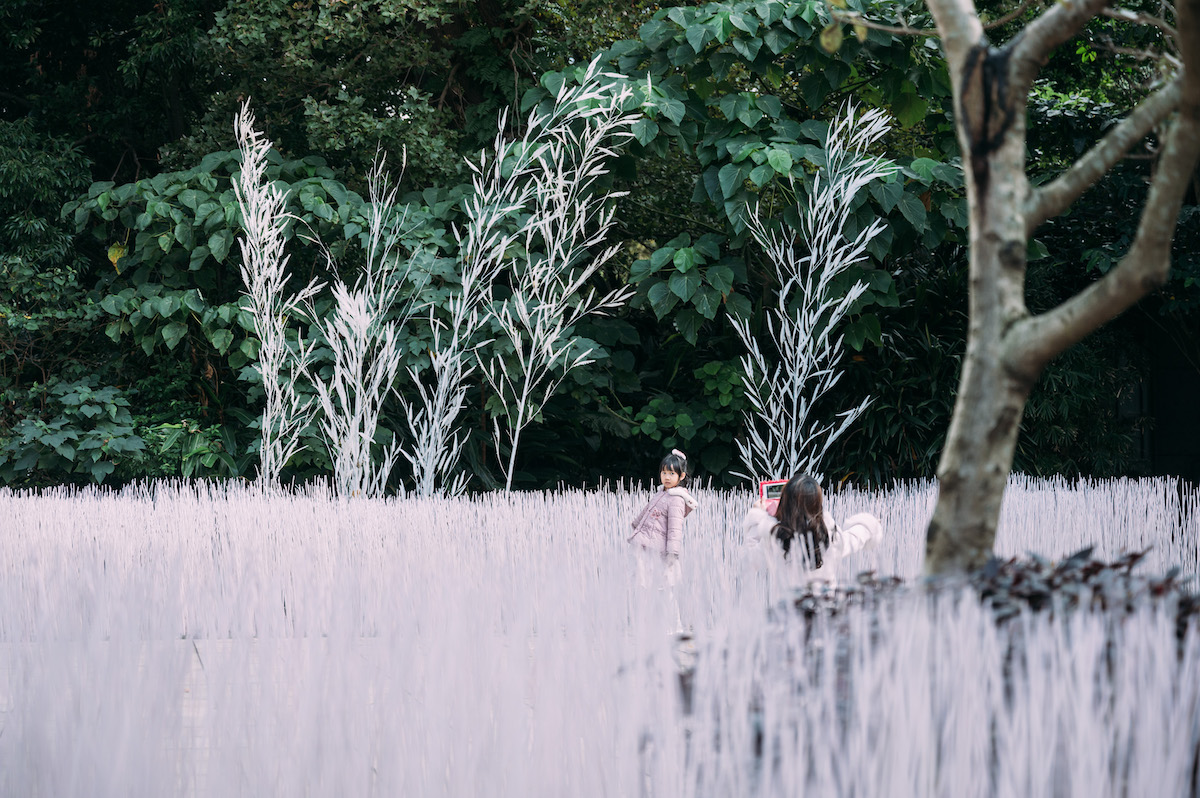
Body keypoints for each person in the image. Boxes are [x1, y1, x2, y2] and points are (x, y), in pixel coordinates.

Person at [742, 474, 881, 591]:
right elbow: (853, 539)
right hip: (826, 613)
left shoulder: (775, 538)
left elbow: (750, 559)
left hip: (790, 614)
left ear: (784, 504)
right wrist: (869, 525)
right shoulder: (829, 535)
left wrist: (757, 515)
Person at [628, 449, 698, 586]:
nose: (667, 477)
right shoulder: (662, 492)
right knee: (640, 576)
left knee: (654, 580)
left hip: (657, 546)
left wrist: (672, 552)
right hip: (646, 541)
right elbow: (647, 509)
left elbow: (675, 528)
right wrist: (636, 524)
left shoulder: (676, 499)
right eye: (664, 472)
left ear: (682, 476)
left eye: (672, 473)